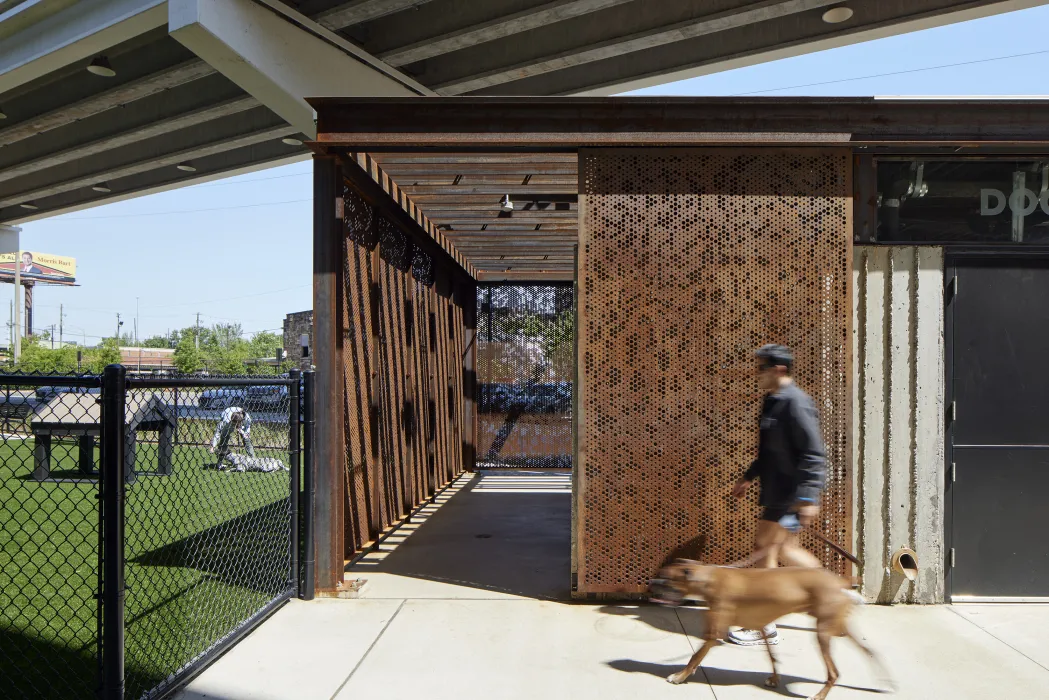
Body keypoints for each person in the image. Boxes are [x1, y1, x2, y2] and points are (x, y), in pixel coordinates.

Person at [727, 343, 826, 646]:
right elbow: (768, 452)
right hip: (777, 490)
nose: (757, 373)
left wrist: (808, 498)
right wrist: (748, 476)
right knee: (783, 551)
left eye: (762, 368)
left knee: (766, 550)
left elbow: (814, 454)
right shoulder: (772, 402)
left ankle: (764, 626)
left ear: (779, 370)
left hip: (790, 493)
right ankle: (829, 591)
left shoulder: (796, 403)